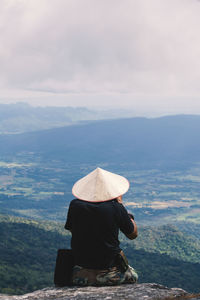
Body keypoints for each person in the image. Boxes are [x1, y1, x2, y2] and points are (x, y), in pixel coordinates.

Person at [65, 167, 138, 286]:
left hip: (80, 273)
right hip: (109, 274)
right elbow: (133, 234)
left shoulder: (75, 205)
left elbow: (73, 231)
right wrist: (127, 216)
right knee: (133, 276)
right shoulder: (116, 208)